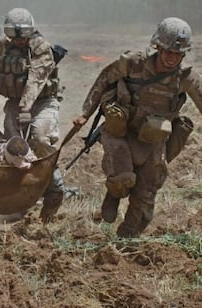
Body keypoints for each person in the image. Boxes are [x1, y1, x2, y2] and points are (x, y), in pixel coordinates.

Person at [73, 17, 202, 238]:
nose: (172, 58)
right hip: (120, 133)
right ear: (158, 47)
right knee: (123, 177)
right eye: (168, 52)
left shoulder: (186, 77)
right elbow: (105, 78)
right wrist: (86, 113)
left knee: (146, 193)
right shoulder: (133, 63)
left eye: (178, 54)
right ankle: (114, 193)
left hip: (153, 140)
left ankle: (127, 239)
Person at [0, 8, 64, 223]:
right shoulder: (3, 47)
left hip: (43, 102)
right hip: (15, 103)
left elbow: (36, 78)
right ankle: (20, 196)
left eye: (22, 35)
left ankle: (54, 188)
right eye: (13, 35)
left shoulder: (41, 48)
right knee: (13, 147)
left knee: (38, 137)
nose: (17, 40)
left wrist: (26, 108)